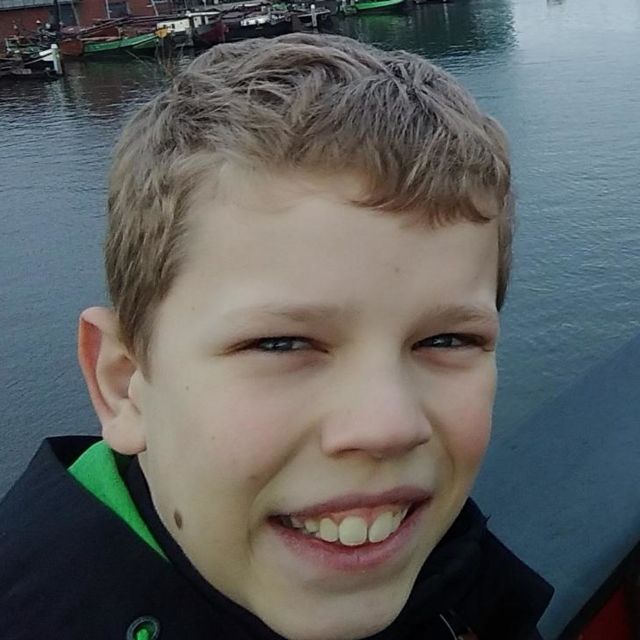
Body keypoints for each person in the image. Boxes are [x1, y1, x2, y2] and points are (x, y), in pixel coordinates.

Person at [0, 34, 553, 640]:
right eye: (281, 344)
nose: (388, 425)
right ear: (124, 384)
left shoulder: (464, 585)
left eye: (447, 341)